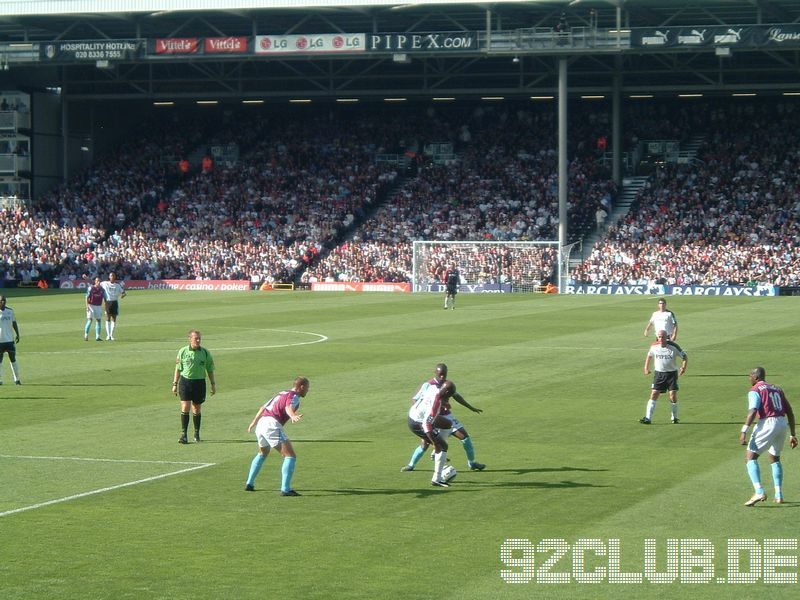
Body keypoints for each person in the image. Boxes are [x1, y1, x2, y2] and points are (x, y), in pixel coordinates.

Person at [401, 363, 485, 472]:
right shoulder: (428, 385)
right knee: (425, 443)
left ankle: (472, 463)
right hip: (431, 418)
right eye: (440, 374)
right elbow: (415, 399)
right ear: (435, 373)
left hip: (446, 416)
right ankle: (411, 465)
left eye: (444, 375)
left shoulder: (447, 385)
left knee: (465, 437)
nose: (442, 377)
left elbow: (456, 396)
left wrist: (470, 407)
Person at [740, 367, 797, 506]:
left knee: (750, 457)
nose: (749, 379)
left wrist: (744, 430)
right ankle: (779, 494)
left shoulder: (755, 390)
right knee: (774, 458)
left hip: (767, 423)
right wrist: (793, 435)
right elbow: (789, 411)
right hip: (781, 423)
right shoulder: (777, 389)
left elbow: (753, 410)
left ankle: (759, 491)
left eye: (750, 376)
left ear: (756, 377)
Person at [244, 376, 310, 496]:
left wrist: (253, 422)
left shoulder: (281, 393)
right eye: (307, 388)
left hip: (261, 424)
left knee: (263, 453)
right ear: (302, 387)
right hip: (271, 425)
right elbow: (288, 407)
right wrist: (293, 416)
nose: (308, 391)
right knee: (290, 456)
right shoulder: (294, 396)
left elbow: (263, 407)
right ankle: (285, 489)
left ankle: (249, 483)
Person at [407, 379, 458, 487]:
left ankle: (437, 454)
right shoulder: (436, 404)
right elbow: (426, 424)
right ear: (447, 393)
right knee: (443, 446)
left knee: (447, 424)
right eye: (450, 396)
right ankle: (437, 479)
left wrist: (444, 403)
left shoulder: (434, 388)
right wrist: (434, 443)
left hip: (415, 414)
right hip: (417, 423)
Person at [172, 330, 216, 444]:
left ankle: (196, 434)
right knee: (185, 406)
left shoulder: (205, 353)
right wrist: (174, 384)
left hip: (199, 382)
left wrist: (213, 384)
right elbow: (178, 368)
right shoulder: (183, 351)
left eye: (199, 338)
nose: (198, 340)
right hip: (185, 382)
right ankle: (184, 435)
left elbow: (210, 369)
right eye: (195, 338)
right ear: (189, 339)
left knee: (196, 408)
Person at [640, 330, 687, 424]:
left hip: (671, 374)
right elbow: (649, 356)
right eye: (659, 337)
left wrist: (683, 367)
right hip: (659, 374)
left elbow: (685, 357)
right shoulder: (654, 346)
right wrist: (646, 368)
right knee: (654, 394)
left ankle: (674, 417)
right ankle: (648, 418)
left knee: (672, 395)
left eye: (663, 337)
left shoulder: (674, 347)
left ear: (667, 337)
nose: (661, 339)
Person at [0, 295, 21, 385]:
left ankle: (17, 379)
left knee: (13, 360)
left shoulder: (10, 311)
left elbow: (14, 323)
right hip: (0, 341)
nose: (3, 302)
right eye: (1, 301)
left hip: (9, 341)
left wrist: (17, 334)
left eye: (4, 300)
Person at [100, 272, 126, 341]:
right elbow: (96, 283)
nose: (112, 277)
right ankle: (108, 335)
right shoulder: (105, 283)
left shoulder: (117, 285)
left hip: (114, 302)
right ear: (109, 277)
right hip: (107, 302)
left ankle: (111, 335)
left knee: (114, 319)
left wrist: (123, 295)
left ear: (115, 277)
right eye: (111, 276)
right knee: (107, 318)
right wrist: (87, 278)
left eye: (113, 276)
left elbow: (123, 293)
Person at [84, 276, 104, 341]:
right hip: (91, 305)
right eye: (97, 281)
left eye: (99, 281)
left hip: (98, 306)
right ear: (95, 281)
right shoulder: (91, 288)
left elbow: (104, 297)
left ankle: (97, 337)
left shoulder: (102, 289)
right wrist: (87, 306)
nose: (98, 282)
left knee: (98, 320)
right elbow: (86, 297)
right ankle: (86, 335)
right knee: (90, 320)